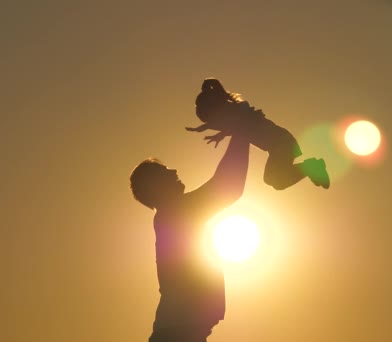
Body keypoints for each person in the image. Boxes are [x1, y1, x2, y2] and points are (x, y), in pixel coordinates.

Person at [129, 133, 250, 342]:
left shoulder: (172, 214)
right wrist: (243, 129)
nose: (174, 171)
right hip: (179, 330)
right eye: (164, 172)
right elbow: (227, 186)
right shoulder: (174, 213)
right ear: (155, 186)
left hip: (180, 328)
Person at [186, 78, 330, 190]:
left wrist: (209, 128)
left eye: (211, 118)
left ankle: (311, 167)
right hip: (280, 144)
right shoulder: (237, 115)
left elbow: (239, 124)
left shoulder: (241, 112)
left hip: (282, 143)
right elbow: (234, 126)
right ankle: (311, 168)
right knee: (275, 180)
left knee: (275, 180)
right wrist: (215, 132)